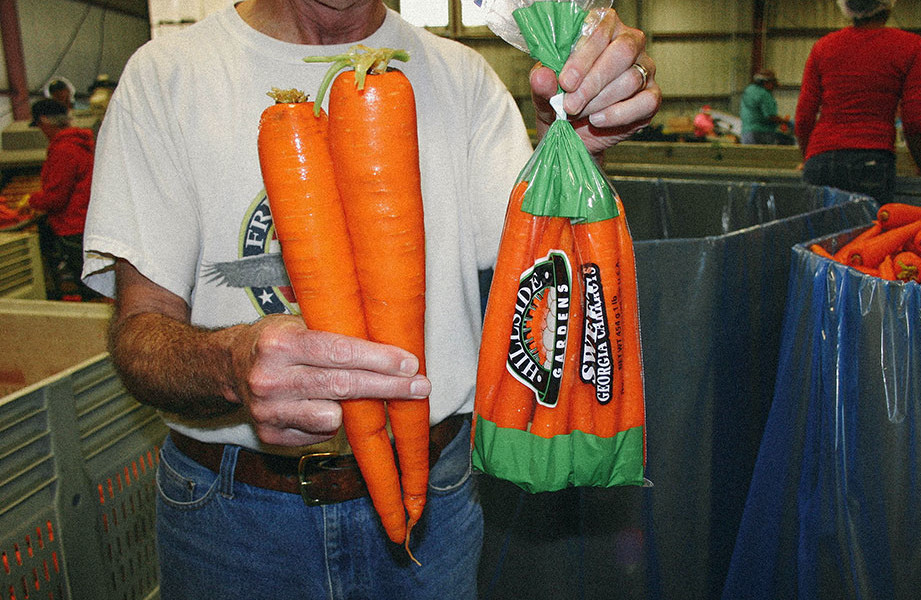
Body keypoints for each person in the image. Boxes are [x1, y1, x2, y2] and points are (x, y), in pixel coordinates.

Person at [80, 1, 660, 599]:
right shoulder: (166, 76)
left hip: (436, 494)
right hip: (230, 516)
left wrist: (575, 143)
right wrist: (228, 365)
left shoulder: (465, 77)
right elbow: (139, 332)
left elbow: (543, 275)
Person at [795, 0, 921, 205]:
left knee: (817, 227)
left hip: (820, 162)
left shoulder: (823, 46)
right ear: (888, 6)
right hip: (871, 161)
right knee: (867, 226)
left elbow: (804, 116)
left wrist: (808, 157)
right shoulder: (909, 45)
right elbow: (914, 119)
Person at [27, 98, 96, 300]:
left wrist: (31, 201)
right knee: (91, 282)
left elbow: (56, 198)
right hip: (86, 221)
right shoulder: (82, 143)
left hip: (72, 226)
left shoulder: (63, 149)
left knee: (87, 287)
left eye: (39, 126)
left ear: (44, 121)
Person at [739, 69, 793, 145]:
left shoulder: (749, 90)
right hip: (762, 134)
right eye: (772, 84)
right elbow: (770, 116)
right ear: (766, 82)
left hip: (746, 134)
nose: (773, 88)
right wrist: (786, 122)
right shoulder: (764, 94)